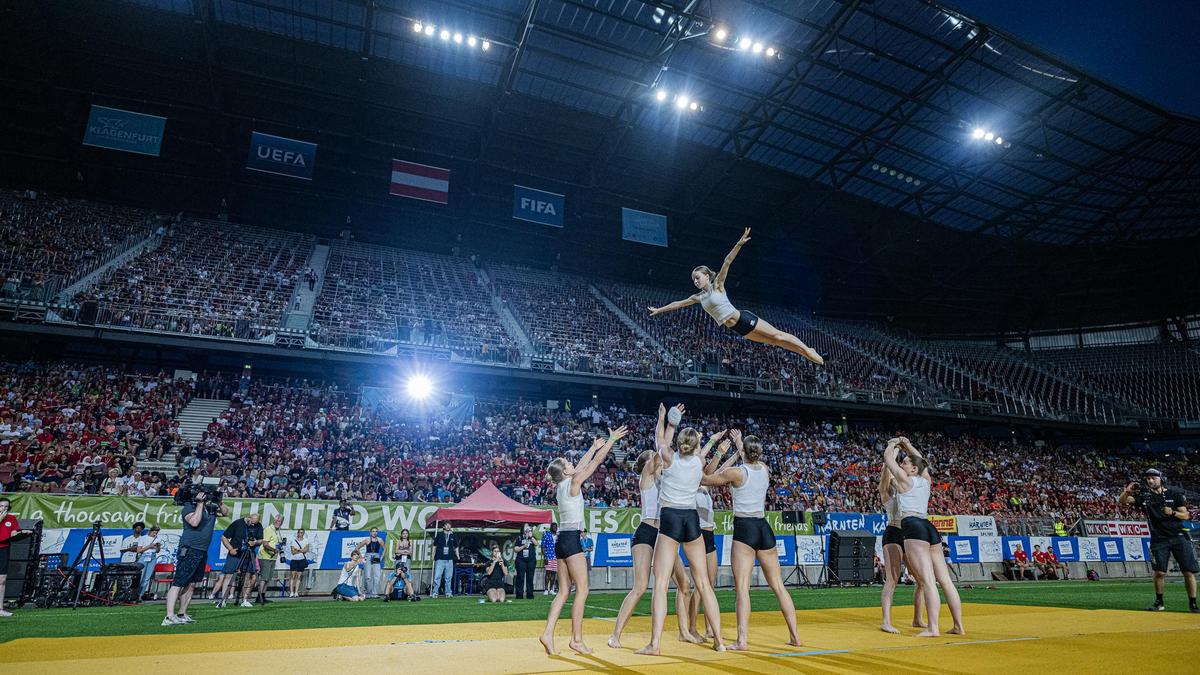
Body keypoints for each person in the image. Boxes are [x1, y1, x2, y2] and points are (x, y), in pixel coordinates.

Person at [646, 228, 823, 366]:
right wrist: (659, 310)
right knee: (774, 342)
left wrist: (739, 243)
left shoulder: (718, 286)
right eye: (693, 280)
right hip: (738, 329)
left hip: (744, 318)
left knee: (778, 335)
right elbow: (677, 304)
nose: (695, 281)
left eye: (698, 278)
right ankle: (804, 353)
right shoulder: (698, 297)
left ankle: (807, 350)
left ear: (707, 276)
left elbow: (727, 261)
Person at [635, 404, 724, 656]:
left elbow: (659, 440)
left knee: (661, 584)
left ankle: (655, 644)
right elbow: (699, 451)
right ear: (696, 446)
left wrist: (667, 421)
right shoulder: (698, 462)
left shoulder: (669, 460)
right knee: (704, 584)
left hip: (671, 517)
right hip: (691, 518)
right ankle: (719, 640)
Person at [609, 416, 703, 649]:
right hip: (646, 533)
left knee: (685, 584)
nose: (658, 459)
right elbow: (662, 447)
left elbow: (668, 452)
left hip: (666, 535)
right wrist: (665, 422)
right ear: (647, 464)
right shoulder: (647, 476)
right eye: (653, 458)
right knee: (641, 586)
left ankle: (684, 632)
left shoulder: (666, 475)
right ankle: (616, 635)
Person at [701, 431, 800, 650]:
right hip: (763, 527)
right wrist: (741, 445)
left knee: (743, 588)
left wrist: (720, 451)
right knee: (778, 586)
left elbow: (705, 479)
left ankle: (742, 640)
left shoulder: (736, 473)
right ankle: (795, 636)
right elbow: (751, 458)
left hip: (745, 529)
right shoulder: (764, 469)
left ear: (743, 451)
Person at [539, 425, 629, 655]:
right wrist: (609, 442)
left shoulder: (562, 484)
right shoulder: (573, 482)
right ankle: (576, 640)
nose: (571, 463)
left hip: (562, 540)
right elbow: (595, 463)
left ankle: (548, 633)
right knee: (583, 589)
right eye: (568, 463)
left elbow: (580, 466)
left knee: (563, 592)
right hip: (571, 540)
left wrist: (591, 446)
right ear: (566, 471)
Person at [883, 437, 965, 637]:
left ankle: (933, 628)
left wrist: (894, 444)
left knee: (927, 581)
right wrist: (908, 445)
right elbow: (921, 461)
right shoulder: (925, 480)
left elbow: (887, 459)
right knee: (945, 581)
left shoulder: (905, 481)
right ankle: (958, 626)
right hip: (929, 526)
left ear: (912, 470)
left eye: (905, 463)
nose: (902, 465)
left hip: (913, 526)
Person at [1120, 468, 1198, 612]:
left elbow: (1186, 515)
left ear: (1161, 478)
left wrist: (1173, 512)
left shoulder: (1174, 494)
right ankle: (1159, 602)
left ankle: (1193, 603)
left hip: (1178, 536)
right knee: (1159, 572)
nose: (1150, 480)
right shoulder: (1145, 497)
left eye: (1153, 478)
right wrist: (1128, 490)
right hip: (1158, 538)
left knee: (1188, 571)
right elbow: (1123, 501)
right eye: (1148, 478)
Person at [164, 489, 229, 626]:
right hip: (189, 548)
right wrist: (199, 504)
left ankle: (182, 613)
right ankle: (169, 616)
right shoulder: (189, 507)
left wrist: (219, 501)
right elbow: (194, 522)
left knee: (192, 584)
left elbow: (225, 513)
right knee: (179, 582)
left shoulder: (209, 508)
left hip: (202, 550)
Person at [878, 464, 925, 633]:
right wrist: (887, 465)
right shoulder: (887, 496)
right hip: (893, 533)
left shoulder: (906, 494)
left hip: (907, 534)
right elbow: (884, 482)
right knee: (892, 579)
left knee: (921, 580)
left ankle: (917, 619)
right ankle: (886, 621)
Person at [213, 512, 264, 608]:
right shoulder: (237, 523)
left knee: (247, 576)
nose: (253, 525)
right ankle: (223, 600)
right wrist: (230, 549)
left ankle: (244, 600)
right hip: (236, 553)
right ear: (248, 517)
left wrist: (255, 542)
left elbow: (261, 540)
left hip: (249, 553)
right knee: (228, 575)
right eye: (252, 523)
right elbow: (224, 537)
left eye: (255, 523)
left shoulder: (258, 525)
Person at [0, 497, 34, 618]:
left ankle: (0, 608)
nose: (3, 508)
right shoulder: (3, 517)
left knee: (2, 579)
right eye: (1, 506)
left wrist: (22, 532)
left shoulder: (12, 518)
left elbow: (13, 532)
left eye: (5, 506)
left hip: (3, 548)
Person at [255, 515, 284, 604]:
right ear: (274, 520)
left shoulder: (278, 531)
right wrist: (274, 550)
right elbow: (265, 544)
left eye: (280, 521)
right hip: (265, 556)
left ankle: (263, 596)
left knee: (268, 578)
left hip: (273, 557)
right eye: (277, 520)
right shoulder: (268, 529)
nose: (278, 522)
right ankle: (259, 597)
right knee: (264, 577)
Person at [353, 527, 386, 598]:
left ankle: (374, 593)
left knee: (377, 576)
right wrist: (361, 557)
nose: (375, 533)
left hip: (376, 557)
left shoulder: (380, 540)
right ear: (370, 532)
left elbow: (384, 549)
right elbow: (357, 548)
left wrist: (381, 557)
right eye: (373, 531)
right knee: (367, 576)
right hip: (368, 556)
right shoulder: (367, 540)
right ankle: (368, 593)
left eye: (376, 531)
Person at [135, 525, 164, 601]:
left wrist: (158, 547)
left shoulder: (158, 539)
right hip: (144, 556)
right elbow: (138, 550)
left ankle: (140, 595)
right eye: (153, 533)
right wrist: (149, 546)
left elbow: (157, 551)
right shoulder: (143, 538)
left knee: (147, 578)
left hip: (152, 557)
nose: (154, 534)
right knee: (140, 577)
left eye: (156, 533)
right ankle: (134, 594)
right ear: (150, 531)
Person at [431, 521, 458, 598]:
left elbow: (456, 546)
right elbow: (434, 546)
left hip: (449, 559)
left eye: (450, 525)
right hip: (440, 558)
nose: (448, 526)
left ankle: (448, 592)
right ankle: (435, 592)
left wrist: (457, 555)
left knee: (448, 577)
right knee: (437, 576)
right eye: (447, 525)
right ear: (443, 526)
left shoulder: (453, 535)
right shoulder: (439, 535)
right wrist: (433, 555)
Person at [514, 524, 538, 599]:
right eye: (526, 527)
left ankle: (530, 595)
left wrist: (531, 537)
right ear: (523, 529)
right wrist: (523, 546)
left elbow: (536, 543)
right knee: (520, 577)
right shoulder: (519, 538)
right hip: (521, 560)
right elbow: (515, 549)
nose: (527, 528)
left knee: (530, 577)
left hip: (531, 560)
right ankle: (519, 595)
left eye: (528, 527)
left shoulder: (532, 537)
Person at [288, 529, 311, 598]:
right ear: (297, 533)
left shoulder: (306, 540)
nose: (301, 534)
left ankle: (296, 592)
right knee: (293, 576)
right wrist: (301, 550)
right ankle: (291, 592)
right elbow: (293, 552)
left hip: (301, 560)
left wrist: (297, 549)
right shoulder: (294, 540)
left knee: (299, 576)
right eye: (300, 532)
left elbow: (306, 550)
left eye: (302, 533)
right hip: (294, 560)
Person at [540, 523, 558, 596]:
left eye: (556, 527)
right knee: (548, 573)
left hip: (556, 557)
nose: (555, 528)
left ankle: (551, 589)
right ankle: (546, 589)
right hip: (548, 556)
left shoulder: (558, 536)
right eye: (553, 527)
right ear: (551, 528)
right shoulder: (547, 535)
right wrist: (545, 556)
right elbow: (542, 546)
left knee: (554, 573)